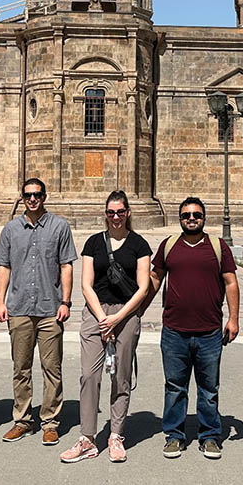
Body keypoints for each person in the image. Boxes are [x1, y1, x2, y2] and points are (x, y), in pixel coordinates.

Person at [60, 191, 151, 464]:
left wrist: (118, 318)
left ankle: (115, 435)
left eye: (120, 212)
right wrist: (103, 318)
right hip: (95, 313)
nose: (115, 217)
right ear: (105, 213)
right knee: (89, 376)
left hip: (126, 314)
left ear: (128, 212)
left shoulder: (139, 244)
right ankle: (87, 437)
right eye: (111, 212)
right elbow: (86, 284)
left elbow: (143, 287)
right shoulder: (93, 243)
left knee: (121, 377)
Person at [144, 197, 239, 460]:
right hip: (174, 331)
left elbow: (230, 282)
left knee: (209, 389)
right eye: (186, 215)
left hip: (209, 331)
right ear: (180, 218)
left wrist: (233, 319)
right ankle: (174, 436)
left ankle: (209, 436)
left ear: (204, 217)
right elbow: (155, 278)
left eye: (196, 214)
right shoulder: (169, 245)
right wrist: (137, 311)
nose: (192, 218)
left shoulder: (218, 247)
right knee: (175, 387)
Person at [0, 177, 78, 445]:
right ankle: (22, 420)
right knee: (21, 368)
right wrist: (0, 301)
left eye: (37, 194)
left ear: (44, 196)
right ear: (22, 197)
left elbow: (66, 265)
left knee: (51, 368)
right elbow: (3, 267)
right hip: (19, 307)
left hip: (50, 308)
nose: (33, 199)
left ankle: (50, 422)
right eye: (28, 195)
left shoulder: (59, 226)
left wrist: (65, 302)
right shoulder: (10, 229)